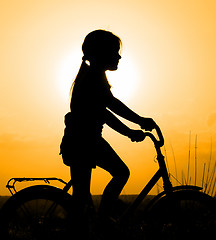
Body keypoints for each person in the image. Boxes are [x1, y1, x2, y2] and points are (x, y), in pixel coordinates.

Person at [59, 29, 156, 235]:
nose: (119, 56)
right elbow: (109, 108)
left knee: (82, 201)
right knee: (121, 173)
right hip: (85, 142)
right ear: (101, 53)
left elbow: (105, 110)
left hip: (83, 141)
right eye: (114, 51)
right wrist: (137, 124)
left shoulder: (92, 75)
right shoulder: (94, 76)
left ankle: (95, 225)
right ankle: (103, 221)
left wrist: (133, 128)